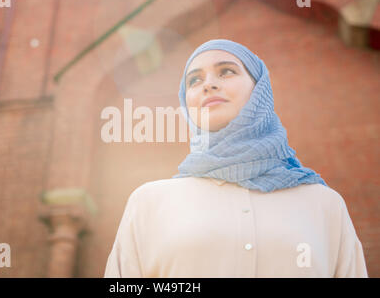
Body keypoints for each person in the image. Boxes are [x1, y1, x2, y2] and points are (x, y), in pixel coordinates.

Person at [103, 39, 368, 277]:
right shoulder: (150, 202)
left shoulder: (322, 204)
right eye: (194, 80)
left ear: (259, 90)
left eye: (226, 71)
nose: (209, 84)